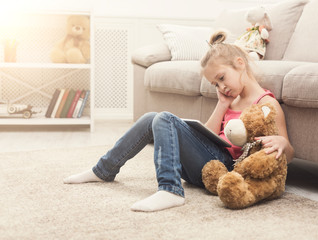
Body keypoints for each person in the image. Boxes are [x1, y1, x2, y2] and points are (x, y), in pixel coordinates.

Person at [63, 31, 294, 212]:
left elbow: (288, 151)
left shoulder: (266, 103)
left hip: (229, 170)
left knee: (164, 119)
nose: (221, 87)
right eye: (215, 84)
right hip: (207, 167)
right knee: (150, 118)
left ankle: (170, 190)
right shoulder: (229, 101)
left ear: (240, 63)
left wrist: (283, 145)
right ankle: (104, 169)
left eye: (222, 78)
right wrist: (222, 104)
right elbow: (209, 137)